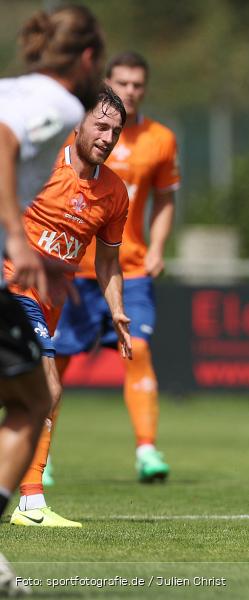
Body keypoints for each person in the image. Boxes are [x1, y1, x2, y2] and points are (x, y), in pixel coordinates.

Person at [0, 6, 105, 582]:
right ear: (87, 58)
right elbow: (2, 142)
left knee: (32, 395)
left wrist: (39, 259)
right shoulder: (61, 104)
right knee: (37, 397)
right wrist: (18, 239)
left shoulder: (13, 87)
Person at [6, 88, 133, 529]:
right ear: (78, 123)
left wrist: (117, 310)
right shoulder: (39, 165)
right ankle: (30, 502)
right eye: (101, 126)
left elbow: (108, 263)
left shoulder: (114, 193)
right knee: (47, 390)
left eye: (115, 131)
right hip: (12, 288)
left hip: (50, 305)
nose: (107, 137)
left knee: (23, 395)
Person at [53, 51, 179, 484]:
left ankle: (146, 449)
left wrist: (158, 247)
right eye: (122, 83)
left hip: (129, 267)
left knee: (137, 349)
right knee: (52, 363)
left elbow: (165, 200)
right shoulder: (76, 133)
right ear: (108, 82)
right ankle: (37, 454)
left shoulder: (160, 139)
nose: (130, 91)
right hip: (71, 269)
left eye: (138, 85)